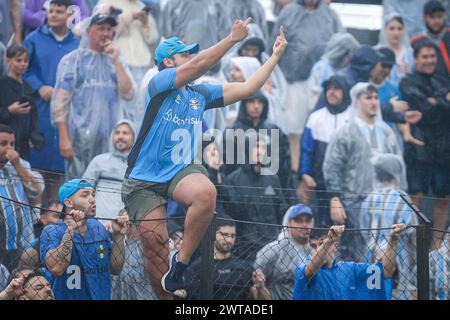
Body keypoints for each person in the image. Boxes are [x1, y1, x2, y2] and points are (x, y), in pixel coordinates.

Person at [121, 18, 288, 299]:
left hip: (181, 170)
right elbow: (198, 66)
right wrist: (232, 39)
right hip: (144, 178)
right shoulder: (158, 81)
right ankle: (165, 296)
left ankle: (181, 264)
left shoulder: (200, 93)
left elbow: (247, 89)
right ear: (169, 61)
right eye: (185, 53)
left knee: (205, 193)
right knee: (155, 243)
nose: (192, 57)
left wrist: (275, 56)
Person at [323, 82, 405, 261]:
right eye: (368, 98)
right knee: (355, 254)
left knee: (384, 253)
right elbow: (332, 167)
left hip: (384, 204)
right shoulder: (345, 132)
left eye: (376, 98)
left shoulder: (387, 132)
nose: (374, 102)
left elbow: (398, 168)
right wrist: (335, 199)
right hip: (354, 202)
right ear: (357, 101)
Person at [51, 11, 135, 179]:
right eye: (101, 28)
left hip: (109, 138)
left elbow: (128, 93)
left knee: (104, 185)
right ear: (88, 31)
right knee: (78, 186)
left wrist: (117, 61)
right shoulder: (72, 61)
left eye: (109, 29)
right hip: (78, 138)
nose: (106, 33)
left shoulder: (117, 60)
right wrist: (64, 137)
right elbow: (59, 102)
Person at [270, 0, 343, 175]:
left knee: (316, 129)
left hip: (322, 85)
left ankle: (312, 171)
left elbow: (341, 44)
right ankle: (293, 171)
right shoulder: (288, 12)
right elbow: (273, 46)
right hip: (292, 82)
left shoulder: (330, 15)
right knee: (293, 129)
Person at [23, 0, 81, 200]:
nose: (53, 15)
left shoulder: (78, 43)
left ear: (69, 14)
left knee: (60, 167)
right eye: (51, 11)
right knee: (38, 162)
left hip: (68, 114)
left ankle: (55, 213)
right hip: (39, 110)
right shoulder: (33, 39)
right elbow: (23, 69)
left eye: (59, 11)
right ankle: (38, 216)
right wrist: (39, 87)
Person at [40, 178, 128, 300]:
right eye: (85, 195)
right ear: (68, 202)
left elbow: (115, 269)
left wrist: (119, 235)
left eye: (93, 194)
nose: (92, 199)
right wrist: (70, 229)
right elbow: (56, 269)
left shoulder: (97, 227)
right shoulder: (52, 231)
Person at [399, 39, 450, 246]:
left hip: (444, 148)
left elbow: (431, 107)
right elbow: (422, 108)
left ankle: (435, 246)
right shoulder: (408, 81)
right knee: (416, 196)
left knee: (443, 197)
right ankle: (412, 246)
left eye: (432, 56)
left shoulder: (443, 80)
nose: (429, 61)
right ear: (416, 58)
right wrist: (442, 101)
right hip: (419, 147)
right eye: (425, 57)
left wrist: (434, 102)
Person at [359, 154, 418, 300]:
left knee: (373, 293)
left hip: (371, 257)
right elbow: (412, 232)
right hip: (398, 259)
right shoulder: (402, 198)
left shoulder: (369, 198)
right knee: (396, 293)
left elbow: (363, 230)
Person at [293, 224, 405, 300]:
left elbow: (386, 271)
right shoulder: (302, 269)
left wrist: (393, 240)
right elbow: (310, 270)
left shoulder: (349, 269)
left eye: (321, 244)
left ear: (335, 246)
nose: (317, 249)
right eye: (314, 245)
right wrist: (328, 241)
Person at [299, 75, 351, 225]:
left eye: (336, 89)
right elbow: (307, 150)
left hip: (348, 186)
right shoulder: (316, 117)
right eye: (328, 89)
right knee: (323, 225)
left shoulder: (354, 117)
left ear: (345, 91)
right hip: (320, 184)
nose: (331, 92)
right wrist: (305, 173)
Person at [97, 0, 159, 123]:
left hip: (142, 64)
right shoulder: (107, 4)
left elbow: (153, 39)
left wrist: (145, 22)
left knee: (139, 107)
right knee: (119, 107)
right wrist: (130, 17)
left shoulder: (141, 6)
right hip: (117, 61)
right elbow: (104, 31)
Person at [227, 135, 287, 259]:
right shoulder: (233, 179)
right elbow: (233, 214)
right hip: (245, 248)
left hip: (272, 244)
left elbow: (281, 210)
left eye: (263, 147)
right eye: (256, 147)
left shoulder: (272, 178)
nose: (260, 151)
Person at [222, 91, 291, 189]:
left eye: (260, 102)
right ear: (244, 104)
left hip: (270, 189)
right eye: (251, 102)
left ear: (265, 105)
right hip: (239, 190)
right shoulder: (232, 132)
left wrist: (281, 189)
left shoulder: (274, 131)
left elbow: (285, 164)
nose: (256, 106)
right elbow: (226, 166)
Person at [0, 125, 44, 272]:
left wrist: (18, 165)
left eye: (12, 144)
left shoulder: (20, 165)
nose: (9, 149)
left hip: (21, 243)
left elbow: (37, 189)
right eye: (3, 144)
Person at [184, 216, 255, 300]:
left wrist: (260, 286)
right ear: (213, 234)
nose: (229, 240)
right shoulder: (197, 268)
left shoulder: (244, 266)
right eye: (225, 235)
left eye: (232, 236)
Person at [252, 204, 314, 300]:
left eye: (308, 221)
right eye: (299, 221)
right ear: (288, 223)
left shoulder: (315, 251)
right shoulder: (274, 249)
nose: (304, 225)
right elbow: (254, 285)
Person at [83, 119, 136, 228]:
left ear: (135, 138)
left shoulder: (138, 166)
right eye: (117, 133)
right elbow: (84, 190)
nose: (120, 136)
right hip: (97, 227)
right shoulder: (99, 161)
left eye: (125, 133)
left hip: (125, 227)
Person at [0, 44, 44, 161]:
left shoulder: (28, 88)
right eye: (18, 60)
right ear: (8, 61)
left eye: (25, 60)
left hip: (23, 144)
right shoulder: (2, 84)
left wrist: (34, 136)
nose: (23, 64)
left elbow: (33, 116)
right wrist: (9, 110)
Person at [160, 0, 230, 59]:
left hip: (211, 61)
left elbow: (225, 32)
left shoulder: (216, 3)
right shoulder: (173, 4)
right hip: (184, 61)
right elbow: (167, 33)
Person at [308, 32, 359, 107]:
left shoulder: (342, 70)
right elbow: (314, 96)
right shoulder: (321, 68)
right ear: (341, 53)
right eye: (349, 56)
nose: (349, 60)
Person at [411, 0, 450, 78]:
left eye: (439, 16)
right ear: (424, 18)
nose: (436, 21)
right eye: (432, 17)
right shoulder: (416, 42)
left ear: (444, 16)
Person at [376, 13, 414, 87]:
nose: (396, 33)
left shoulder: (410, 54)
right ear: (385, 30)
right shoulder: (377, 53)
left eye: (399, 29)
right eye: (392, 28)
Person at [22, 0, 90, 35]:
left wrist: (67, 20)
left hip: (67, 38)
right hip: (38, 35)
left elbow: (84, 17)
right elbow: (23, 14)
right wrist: (44, 17)